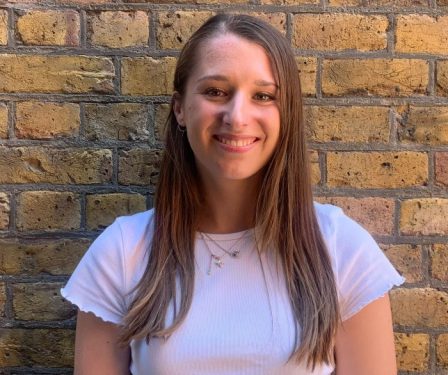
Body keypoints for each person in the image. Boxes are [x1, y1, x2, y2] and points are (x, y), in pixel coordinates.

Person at [61, 13, 404, 375]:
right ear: (180, 108)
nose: (237, 116)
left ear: (286, 113)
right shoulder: (122, 253)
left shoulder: (341, 249)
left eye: (263, 95)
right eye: (215, 92)